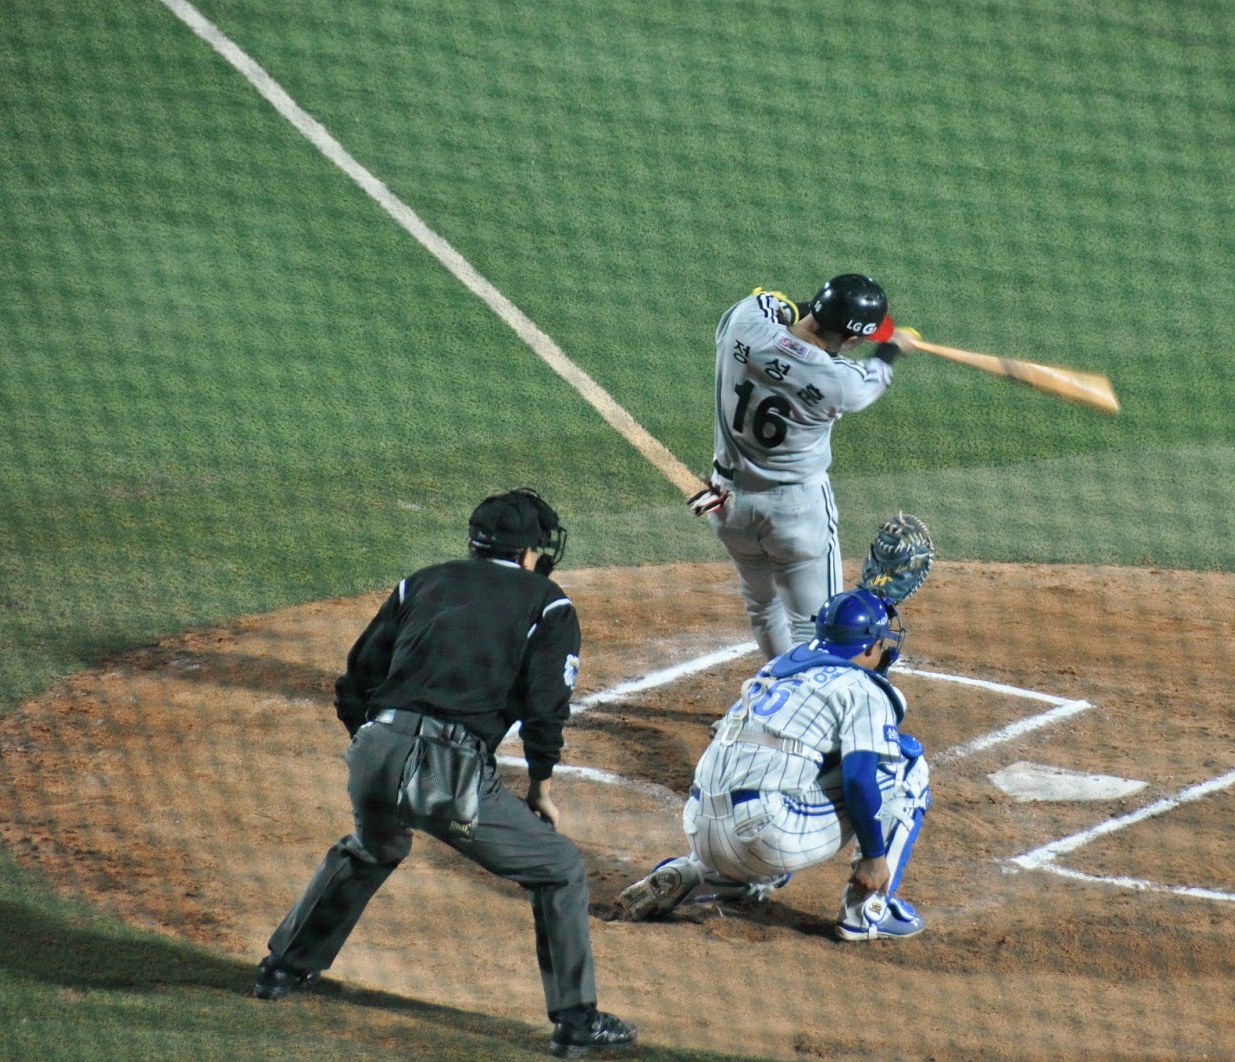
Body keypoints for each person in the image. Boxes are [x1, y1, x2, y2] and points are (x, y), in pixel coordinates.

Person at [252, 488, 636, 1058]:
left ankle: (282, 969)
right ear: (530, 550)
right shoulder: (549, 604)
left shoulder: (423, 580)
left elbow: (356, 677)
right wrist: (540, 788)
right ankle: (576, 1022)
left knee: (374, 846)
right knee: (559, 868)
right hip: (447, 771)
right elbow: (545, 707)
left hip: (373, 748)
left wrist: (375, 747)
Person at [619, 587, 931, 941]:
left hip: (700, 825)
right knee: (906, 764)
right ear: (868, 646)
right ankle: (868, 911)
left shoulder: (779, 668)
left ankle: (697, 873)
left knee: (782, 796)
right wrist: (874, 856)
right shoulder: (861, 689)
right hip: (766, 833)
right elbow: (859, 781)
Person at [689, 274, 919, 660]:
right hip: (796, 514)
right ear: (850, 340)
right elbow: (875, 375)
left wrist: (807, 310)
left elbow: (773, 302)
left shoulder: (743, 323)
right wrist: (894, 346)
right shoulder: (839, 382)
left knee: (762, 608)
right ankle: (805, 707)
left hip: (726, 503)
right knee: (823, 626)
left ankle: (773, 697)